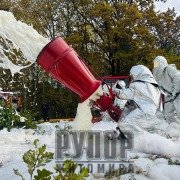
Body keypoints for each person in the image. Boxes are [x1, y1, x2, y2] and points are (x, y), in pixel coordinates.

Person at [113, 65, 162, 130]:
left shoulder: (137, 85)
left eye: (132, 75)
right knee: (142, 127)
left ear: (137, 74)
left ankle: (136, 139)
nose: (131, 77)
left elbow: (123, 94)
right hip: (154, 111)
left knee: (125, 124)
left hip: (143, 111)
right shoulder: (154, 86)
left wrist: (114, 90)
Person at [152, 56, 180, 123]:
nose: (155, 65)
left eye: (156, 63)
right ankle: (174, 129)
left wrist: (175, 91)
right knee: (168, 114)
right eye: (154, 63)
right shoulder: (156, 74)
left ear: (161, 62)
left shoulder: (168, 68)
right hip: (170, 97)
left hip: (178, 94)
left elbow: (178, 77)